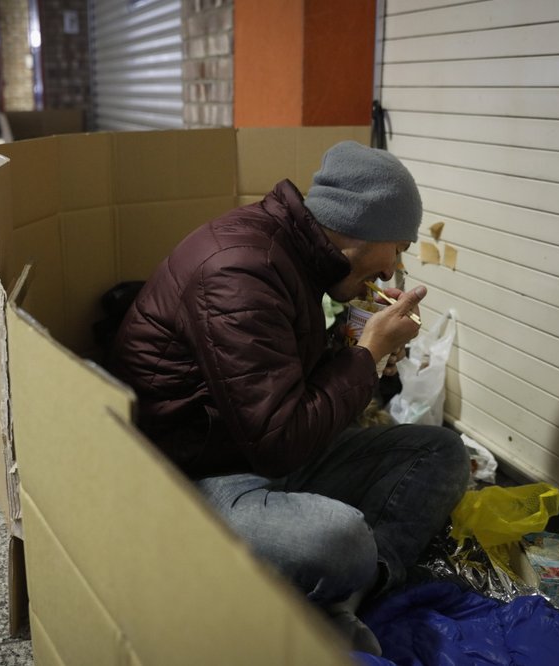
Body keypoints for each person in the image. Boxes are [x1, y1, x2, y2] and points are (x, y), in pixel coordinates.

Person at [109, 141, 469, 654]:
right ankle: (342, 578)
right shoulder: (242, 272)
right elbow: (278, 442)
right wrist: (366, 356)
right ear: (358, 230)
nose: (392, 270)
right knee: (338, 537)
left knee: (441, 452)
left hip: (251, 443)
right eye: (397, 247)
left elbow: (280, 391)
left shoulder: (299, 258)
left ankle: (352, 587)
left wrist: (348, 338)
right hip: (194, 473)